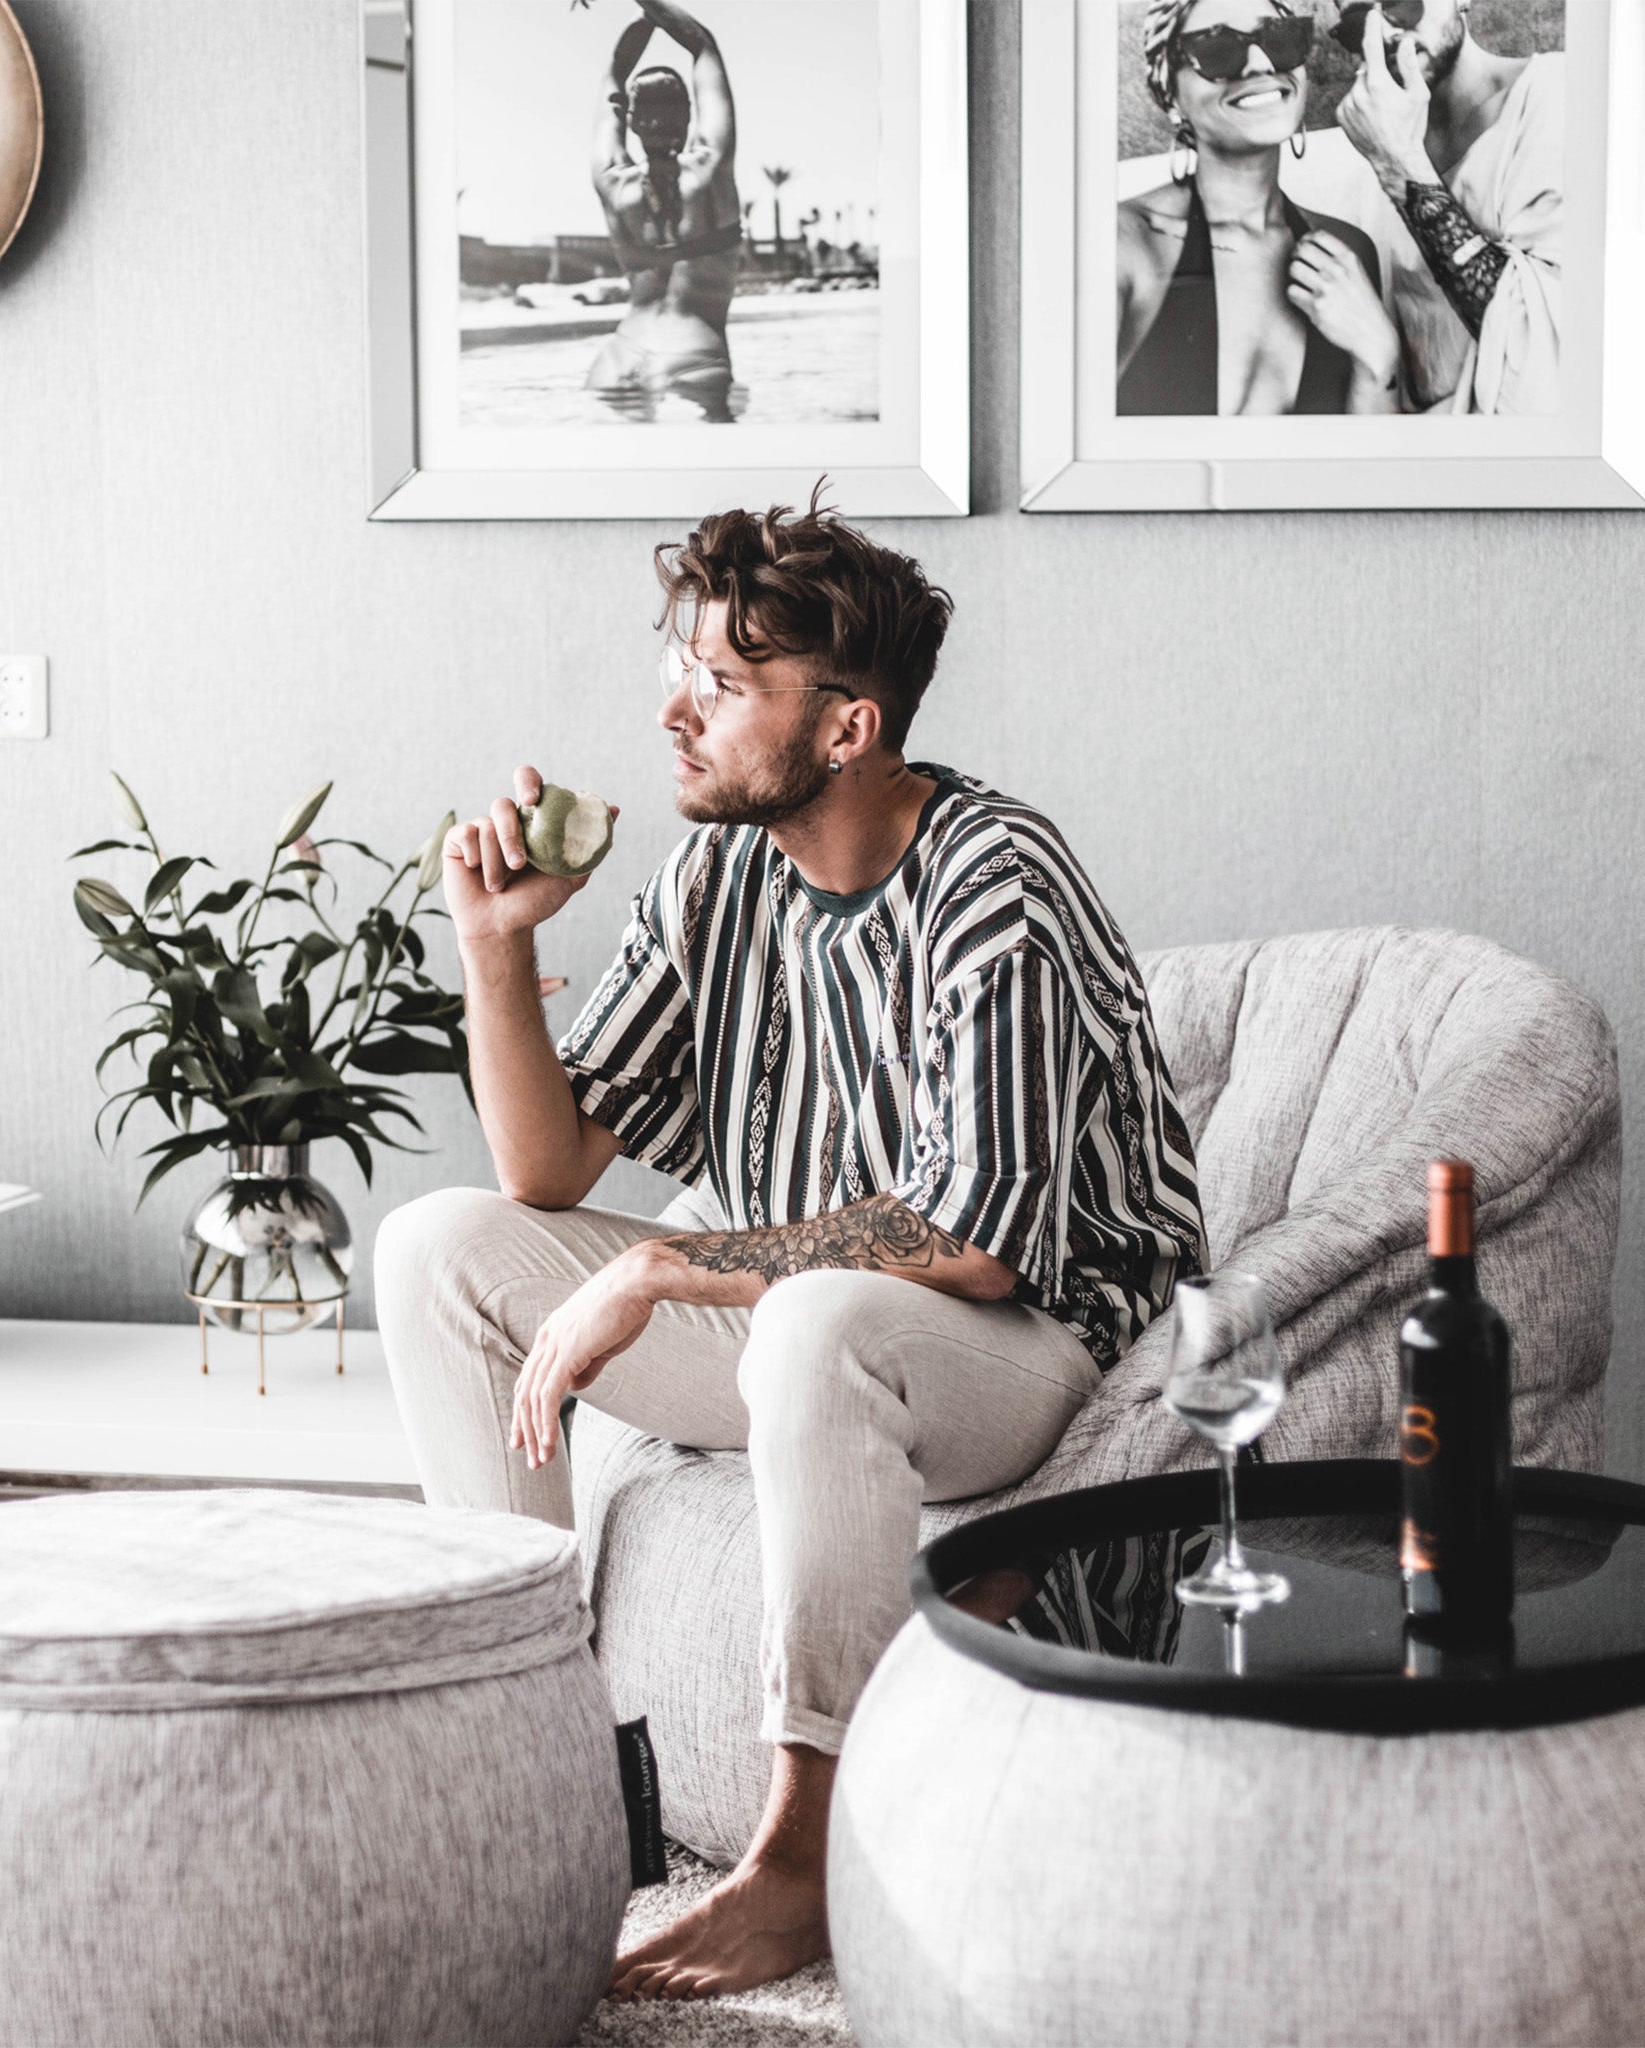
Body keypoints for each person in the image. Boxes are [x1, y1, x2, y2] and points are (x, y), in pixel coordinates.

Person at [374, 496, 1208, 2000]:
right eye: (681, 669)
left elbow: (972, 1237)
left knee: (815, 1316)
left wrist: (663, 1268)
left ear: (846, 727)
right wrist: (493, 944)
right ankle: (539, 1776)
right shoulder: (718, 878)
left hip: (1028, 1345)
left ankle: (808, 1860)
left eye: (723, 683)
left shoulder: (996, 881)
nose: (674, 712)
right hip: (808, 1331)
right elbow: (543, 1169)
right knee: (437, 1245)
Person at [1119, 0, 1402, 414]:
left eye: (1280, 39)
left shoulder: (1346, 253)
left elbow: (1368, 449)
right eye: (1217, 49)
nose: (1260, 64)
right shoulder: (1124, 246)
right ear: (1171, 95)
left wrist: (1381, 357)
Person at [1334, 0, 1562, 414]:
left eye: (1401, 3)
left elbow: (1543, 359)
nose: (1383, 33)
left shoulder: (1554, 95)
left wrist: (1400, 164)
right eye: (1358, 21)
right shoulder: (1368, 144)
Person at [580, 0, 742, 422]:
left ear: (633, 121)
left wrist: (644, 19)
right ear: (688, 116)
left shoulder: (614, 183)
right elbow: (701, 45)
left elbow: (614, 76)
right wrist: (653, 9)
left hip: (621, 354)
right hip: (694, 352)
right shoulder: (710, 169)